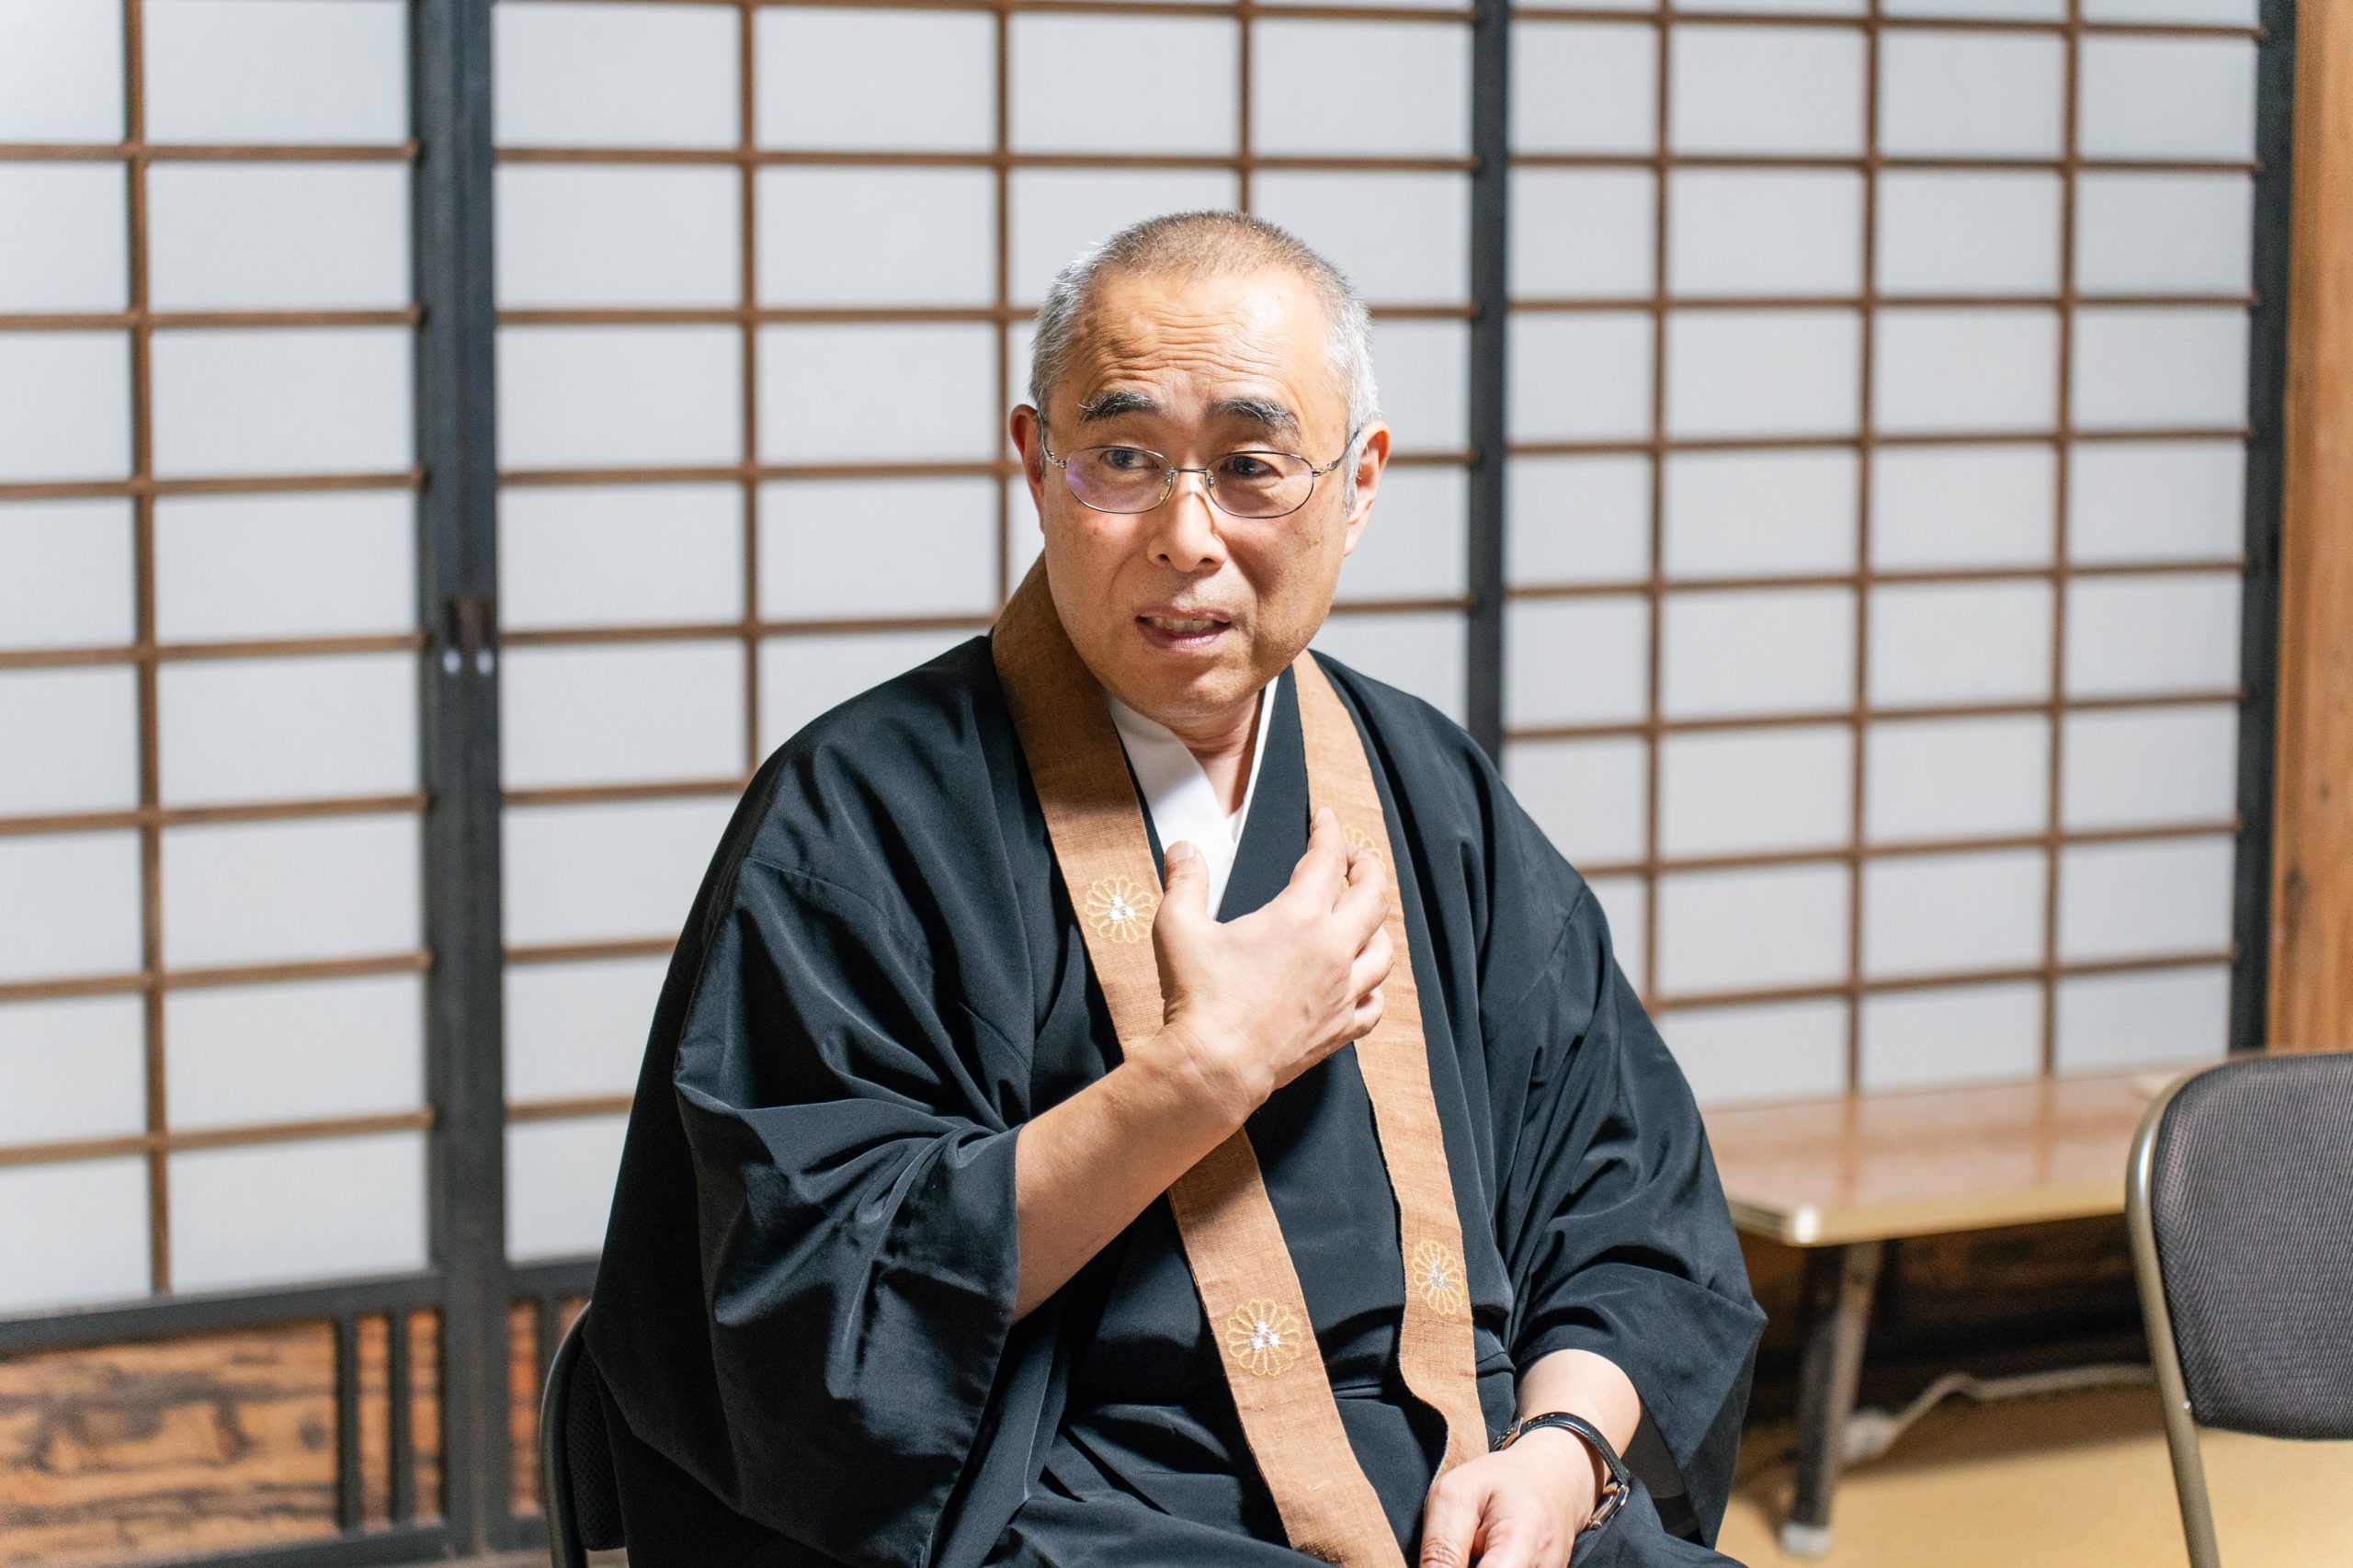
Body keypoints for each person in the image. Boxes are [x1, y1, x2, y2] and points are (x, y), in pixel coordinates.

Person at [584, 211, 1764, 1568]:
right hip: (1080, 1516)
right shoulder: (857, 818)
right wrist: (1203, 1074)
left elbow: (1633, 1214)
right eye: (1124, 460)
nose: (1186, 535)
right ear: (1036, 466)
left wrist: (1561, 1456)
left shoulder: (1430, 793)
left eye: (1253, 466)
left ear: (1359, 484)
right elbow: (804, 1309)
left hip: (1485, 1496)